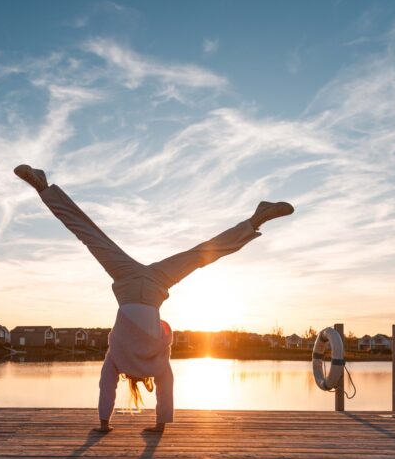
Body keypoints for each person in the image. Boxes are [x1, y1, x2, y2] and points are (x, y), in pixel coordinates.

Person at [15, 164, 293, 433]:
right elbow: (109, 387)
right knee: (93, 237)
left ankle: (43, 187)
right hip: (137, 283)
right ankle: (256, 218)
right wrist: (105, 423)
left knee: (200, 254)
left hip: (146, 284)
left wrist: (154, 424)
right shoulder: (122, 359)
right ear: (131, 378)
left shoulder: (152, 362)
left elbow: (162, 388)